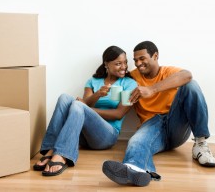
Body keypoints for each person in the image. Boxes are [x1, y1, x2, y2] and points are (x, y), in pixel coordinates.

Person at [102, 41, 215, 187]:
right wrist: (90, 99)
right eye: (135, 60)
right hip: (152, 126)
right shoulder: (132, 77)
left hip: (176, 123)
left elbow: (187, 75)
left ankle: (200, 144)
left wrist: (152, 89)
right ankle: (136, 169)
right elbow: (114, 74)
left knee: (191, 85)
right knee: (136, 141)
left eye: (142, 58)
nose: (138, 63)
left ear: (155, 56)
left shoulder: (168, 72)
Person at [33, 45, 137, 176]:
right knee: (64, 98)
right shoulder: (93, 81)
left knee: (77, 106)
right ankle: (51, 148)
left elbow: (119, 114)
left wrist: (86, 108)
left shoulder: (130, 84)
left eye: (125, 62)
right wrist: (98, 94)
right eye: (118, 63)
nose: (124, 67)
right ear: (106, 64)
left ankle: (62, 155)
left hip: (107, 136)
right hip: (83, 136)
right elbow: (85, 103)